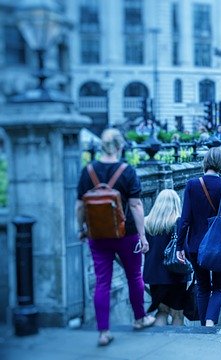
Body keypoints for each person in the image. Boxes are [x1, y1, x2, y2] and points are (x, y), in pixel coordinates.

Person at [75, 129, 155, 346]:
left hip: (98, 235)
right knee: (134, 277)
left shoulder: (88, 171)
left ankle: (103, 332)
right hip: (126, 233)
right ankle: (140, 318)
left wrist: (81, 228)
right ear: (120, 147)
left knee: (103, 282)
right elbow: (136, 205)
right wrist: (143, 236)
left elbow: (80, 205)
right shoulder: (127, 171)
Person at [175, 147, 221, 326]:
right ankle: (211, 321)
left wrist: (180, 246)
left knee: (202, 287)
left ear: (205, 163)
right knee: (219, 287)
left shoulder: (192, 185)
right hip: (220, 246)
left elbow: (185, 219)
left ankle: (205, 325)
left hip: (196, 246)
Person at [143, 189, 189, 326]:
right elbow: (185, 249)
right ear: (176, 203)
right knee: (177, 314)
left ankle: (158, 341)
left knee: (162, 311)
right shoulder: (179, 222)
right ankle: (175, 343)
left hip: (155, 275)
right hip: (177, 273)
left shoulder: (147, 223)